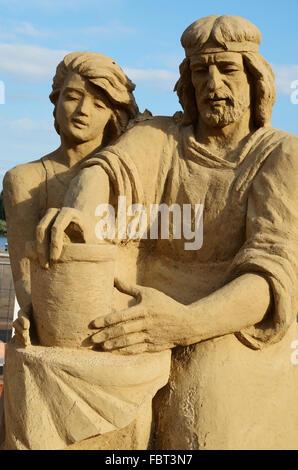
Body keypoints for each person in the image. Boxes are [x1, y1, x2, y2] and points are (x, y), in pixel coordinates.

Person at [10, 15, 298, 449]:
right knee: (50, 366)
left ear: (255, 77)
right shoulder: (162, 135)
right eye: (201, 70)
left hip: (224, 321)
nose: (213, 83)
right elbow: (108, 169)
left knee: (199, 408)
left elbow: (270, 275)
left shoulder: (280, 155)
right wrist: (80, 213)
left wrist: (186, 324)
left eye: (227, 68)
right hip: (137, 308)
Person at [3, 51, 138, 316]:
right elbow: (25, 276)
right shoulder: (25, 180)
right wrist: (33, 314)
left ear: (114, 114)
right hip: (59, 317)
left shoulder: (128, 175)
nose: (82, 111)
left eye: (99, 104)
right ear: (55, 102)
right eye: (73, 97)